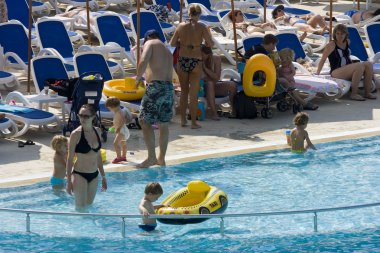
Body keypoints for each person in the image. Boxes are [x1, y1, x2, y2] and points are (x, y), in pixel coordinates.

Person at [244, 34, 319, 110]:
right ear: (271, 43)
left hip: (247, 78)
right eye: (274, 46)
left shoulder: (254, 48)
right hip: (257, 80)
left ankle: (297, 101)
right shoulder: (263, 54)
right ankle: (302, 103)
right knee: (284, 81)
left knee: (282, 79)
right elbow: (264, 72)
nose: (274, 48)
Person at [170, 4, 214, 129]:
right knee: (193, 94)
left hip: (182, 60)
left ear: (189, 13)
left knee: (184, 92)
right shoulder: (202, 27)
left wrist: (183, 44)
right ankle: (194, 122)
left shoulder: (180, 26)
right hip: (196, 60)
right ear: (199, 14)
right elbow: (210, 44)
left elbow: (172, 43)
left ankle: (183, 120)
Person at [135, 30, 174, 168]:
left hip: (156, 87)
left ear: (147, 38)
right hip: (169, 88)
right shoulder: (167, 51)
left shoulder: (150, 43)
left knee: (144, 121)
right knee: (163, 124)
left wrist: (137, 78)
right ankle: (161, 159)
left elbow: (144, 60)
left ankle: (151, 157)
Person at [316, 24, 376, 101]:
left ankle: (367, 93)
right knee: (359, 65)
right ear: (334, 34)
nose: (339, 36)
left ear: (346, 34)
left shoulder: (348, 42)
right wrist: (317, 73)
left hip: (347, 69)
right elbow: (323, 59)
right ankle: (354, 94)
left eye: (342, 34)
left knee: (368, 64)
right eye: (337, 33)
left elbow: (347, 56)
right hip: (336, 71)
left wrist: (352, 65)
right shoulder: (331, 45)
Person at [66, 104, 107, 210]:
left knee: (89, 206)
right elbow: (70, 159)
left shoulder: (97, 131)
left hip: (94, 175)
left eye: (86, 116)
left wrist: (103, 177)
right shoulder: (76, 134)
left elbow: (98, 156)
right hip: (80, 175)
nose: (82, 118)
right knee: (80, 209)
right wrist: (69, 182)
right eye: (80, 115)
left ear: (93, 117)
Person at [201, 44, 237, 119]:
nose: (202, 57)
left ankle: (234, 111)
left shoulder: (216, 59)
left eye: (204, 55)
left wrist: (205, 68)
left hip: (214, 85)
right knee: (210, 84)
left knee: (232, 85)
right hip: (201, 88)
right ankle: (214, 113)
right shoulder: (197, 60)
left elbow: (217, 78)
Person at [105, 97, 131, 164]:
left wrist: (118, 128)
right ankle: (124, 156)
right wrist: (114, 126)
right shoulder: (118, 111)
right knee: (123, 143)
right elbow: (118, 121)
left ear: (113, 107)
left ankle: (119, 158)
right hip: (123, 130)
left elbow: (123, 120)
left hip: (122, 130)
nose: (110, 110)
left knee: (115, 143)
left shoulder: (119, 112)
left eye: (110, 108)